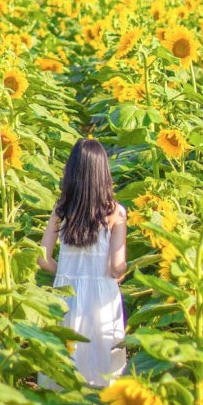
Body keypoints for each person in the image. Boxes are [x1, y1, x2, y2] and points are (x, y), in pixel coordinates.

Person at [38, 138, 127, 388]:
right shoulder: (115, 212)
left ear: (72, 172)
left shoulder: (62, 209)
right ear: (103, 173)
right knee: (102, 363)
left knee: (64, 363)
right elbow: (117, 267)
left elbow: (42, 259)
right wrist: (117, 274)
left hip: (66, 295)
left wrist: (66, 273)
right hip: (102, 296)